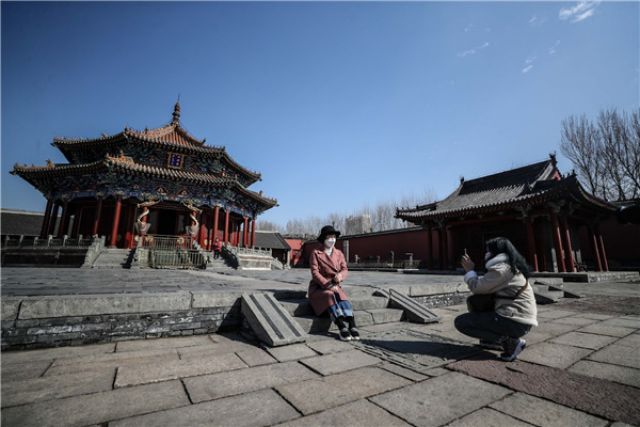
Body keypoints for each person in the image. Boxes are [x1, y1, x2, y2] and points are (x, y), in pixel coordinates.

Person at [455, 237, 538, 361]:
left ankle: (510, 342)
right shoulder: (510, 266)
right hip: (519, 319)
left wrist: (470, 271)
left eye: (488, 250)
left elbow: (477, 287)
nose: (486, 254)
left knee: (462, 322)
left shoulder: (502, 269)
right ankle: (491, 341)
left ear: (496, 252)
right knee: (477, 303)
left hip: (515, 322)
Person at [308, 225, 359, 341]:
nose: (332, 239)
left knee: (343, 297)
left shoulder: (339, 253)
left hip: (336, 284)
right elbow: (315, 274)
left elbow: (345, 269)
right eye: (329, 237)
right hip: (319, 287)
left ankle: (352, 324)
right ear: (323, 239)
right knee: (330, 295)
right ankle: (341, 326)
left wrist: (340, 276)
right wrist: (328, 285)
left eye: (334, 237)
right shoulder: (316, 253)